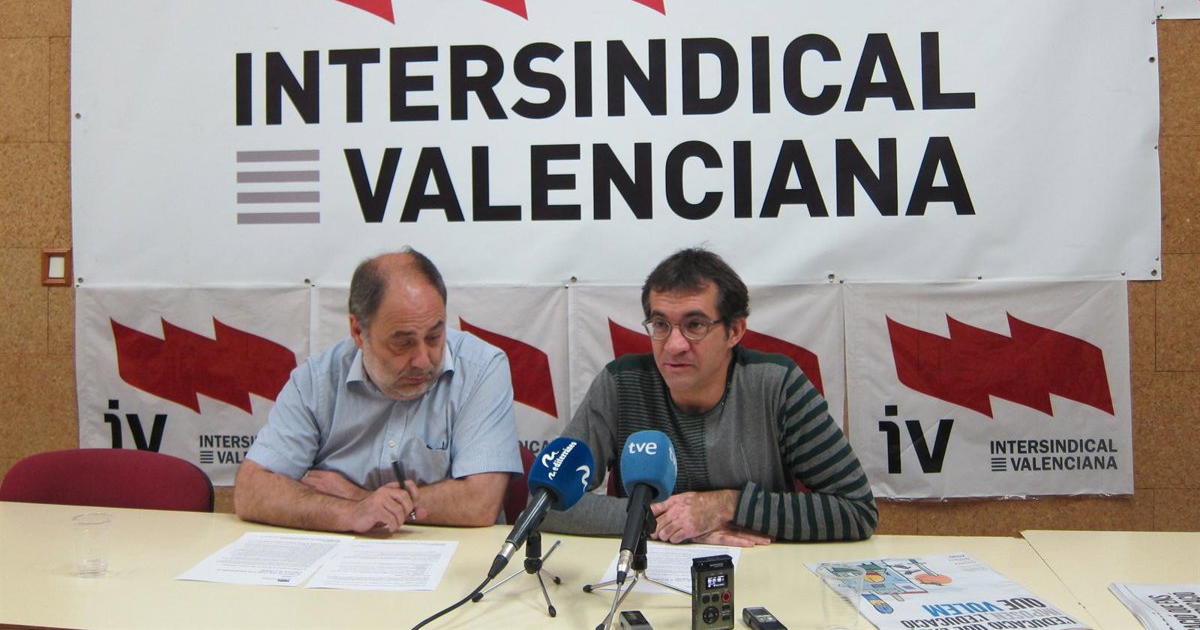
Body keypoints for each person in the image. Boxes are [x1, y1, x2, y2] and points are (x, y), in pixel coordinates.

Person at [542, 247, 878, 546]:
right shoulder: (621, 383)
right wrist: (671, 522)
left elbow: (857, 509)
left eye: (695, 325)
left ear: (734, 331)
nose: (674, 345)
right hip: (644, 574)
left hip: (760, 573)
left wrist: (726, 506)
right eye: (660, 325)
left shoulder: (776, 385)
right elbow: (547, 504)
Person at [235, 248, 522, 533]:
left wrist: (359, 499)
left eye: (434, 337)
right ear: (358, 332)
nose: (423, 360)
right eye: (403, 343)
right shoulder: (317, 380)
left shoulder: (481, 368)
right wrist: (350, 514)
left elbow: (480, 502)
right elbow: (251, 491)